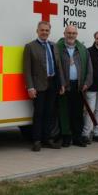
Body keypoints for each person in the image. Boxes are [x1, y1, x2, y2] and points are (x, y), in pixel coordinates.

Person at [23, 21, 63, 151]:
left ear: (49, 32)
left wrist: (62, 83)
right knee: (39, 113)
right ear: (37, 31)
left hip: (53, 84)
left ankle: (48, 139)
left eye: (47, 30)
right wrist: (30, 87)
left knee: (50, 113)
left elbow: (59, 66)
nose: (44, 32)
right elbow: (27, 69)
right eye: (42, 30)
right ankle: (37, 141)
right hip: (38, 86)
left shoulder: (54, 46)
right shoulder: (30, 46)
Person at [55, 25, 93, 148]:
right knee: (64, 112)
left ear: (76, 35)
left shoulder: (82, 49)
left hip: (78, 86)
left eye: (73, 33)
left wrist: (87, 83)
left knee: (77, 113)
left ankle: (77, 137)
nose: (71, 35)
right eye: (69, 33)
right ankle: (66, 137)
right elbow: (56, 68)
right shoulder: (57, 48)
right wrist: (60, 84)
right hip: (64, 86)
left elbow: (89, 69)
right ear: (64, 33)